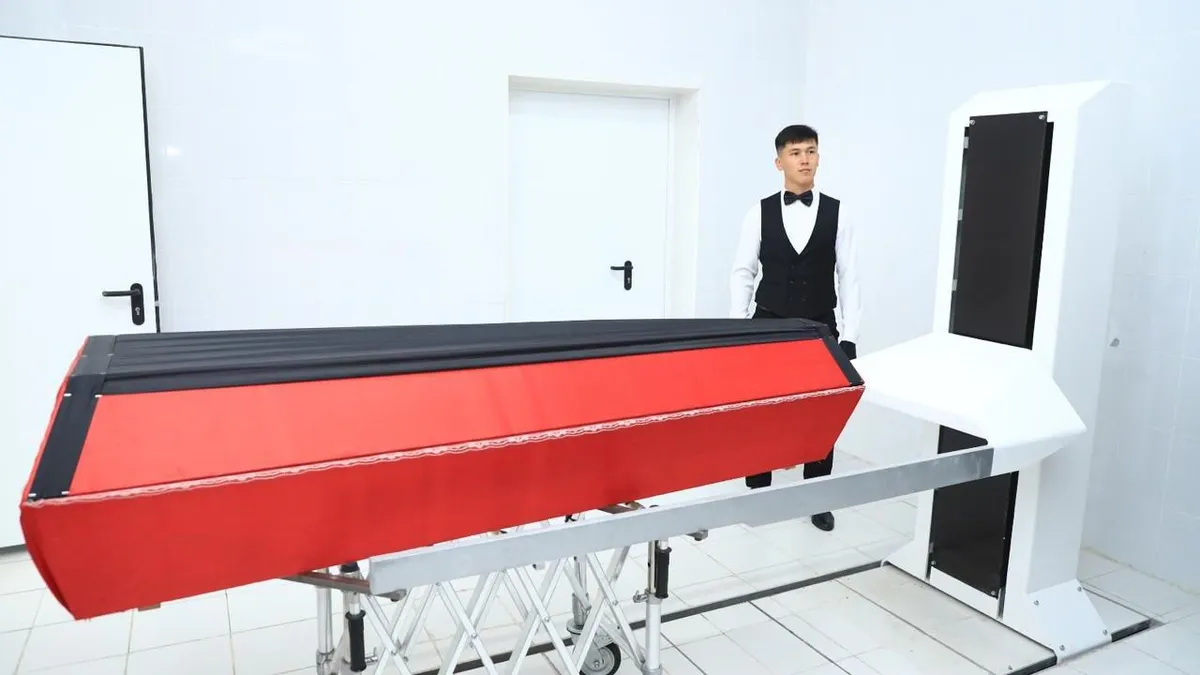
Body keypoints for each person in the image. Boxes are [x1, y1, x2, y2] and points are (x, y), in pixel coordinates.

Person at [728, 124, 861, 533]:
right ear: (779, 162)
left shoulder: (840, 213)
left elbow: (849, 276)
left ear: (819, 157)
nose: (805, 159)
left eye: (811, 151)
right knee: (762, 410)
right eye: (796, 152)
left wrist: (850, 335)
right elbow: (743, 271)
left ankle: (816, 498)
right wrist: (737, 328)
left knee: (822, 414)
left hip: (820, 327)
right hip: (767, 325)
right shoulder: (759, 212)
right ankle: (758, 492)